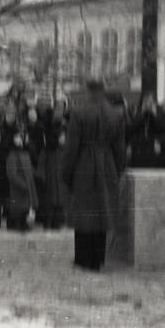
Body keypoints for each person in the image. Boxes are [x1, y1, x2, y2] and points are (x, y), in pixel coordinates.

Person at [61, 80, 126, 271]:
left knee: (83, 212)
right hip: (107, 165)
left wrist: (67, 172)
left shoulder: (79, 113)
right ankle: (98, 259)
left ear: (88, 91)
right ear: (103, 91)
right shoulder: (116, 114)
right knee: (102, 212)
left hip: (84, 164)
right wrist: (117, 169)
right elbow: (120, 149)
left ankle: (82, 259)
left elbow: (71, 148)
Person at [5, 131, 37, 231]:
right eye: (17, 138)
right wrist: (22, 184)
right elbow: (12, 173)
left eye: (21, 138)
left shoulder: (26, 152)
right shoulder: (12, 154)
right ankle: (17, 223)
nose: (19, 140)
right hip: (18, 187)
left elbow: (30, 168)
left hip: (27, 185)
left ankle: (23, 223)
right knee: (18, 206)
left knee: (26, 206)